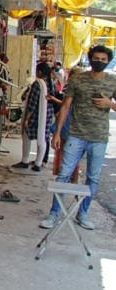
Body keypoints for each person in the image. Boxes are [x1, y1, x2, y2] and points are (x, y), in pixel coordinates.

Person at [40, 46, 116, 230]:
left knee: (93, 178)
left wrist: (110, 104)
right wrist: (57, 133)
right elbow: (65, 106)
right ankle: (54, 213)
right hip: (75, 135)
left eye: (103, 59)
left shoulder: (113, 82)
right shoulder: (77, 79)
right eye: (96, 58)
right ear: (90, 59)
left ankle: (83, 214)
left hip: (99, 137)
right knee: (64, 175)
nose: (99, 61)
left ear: (108, 61)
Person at [12, 63, 54, 172]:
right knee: (43, 137)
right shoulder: (50, 82)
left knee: (26, 135)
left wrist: (27, 118)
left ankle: (25, 161)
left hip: (36, 114)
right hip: (47, 114)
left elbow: (33, 102)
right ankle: (38, 163)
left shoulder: (37, 84)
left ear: (39, 72)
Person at [50, 66, 83, 184]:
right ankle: (71, 178)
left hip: (69, 125)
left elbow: (66, 105)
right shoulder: (79, 89)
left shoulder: (73, 88)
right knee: (72, 154)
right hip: (73, 125)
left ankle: (67, 178)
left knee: (66, 152)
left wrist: (54, 99)